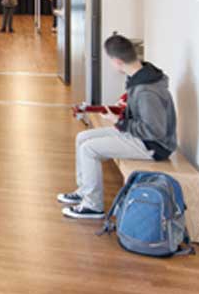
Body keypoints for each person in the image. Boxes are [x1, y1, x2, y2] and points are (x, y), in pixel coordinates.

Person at [58, 35, 178, 219]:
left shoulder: (146, 91)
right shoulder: (141, 75)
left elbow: (155, 131)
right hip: (139, 136)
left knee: (89, 149)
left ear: (117, 61)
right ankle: (85, 191)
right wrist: (119, 118)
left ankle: (92, 206)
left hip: (153, 146)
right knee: (83, 138)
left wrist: (119, 122)